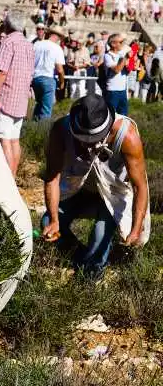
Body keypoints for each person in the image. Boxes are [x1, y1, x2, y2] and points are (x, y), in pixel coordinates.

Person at [42, 94, 149, 280]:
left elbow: (140, 186)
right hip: (78, 189)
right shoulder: (61, 130)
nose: (86, 142)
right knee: (46, 223)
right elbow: (52, 177)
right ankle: (81, 260)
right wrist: (53, 219)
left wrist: (136, 228)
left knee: (100, 234)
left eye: (92, 138)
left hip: (112, 195)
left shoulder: (127, 136)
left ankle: (91, 277)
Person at [0, 10, 35, 176]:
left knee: (4, 140)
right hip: (21, 98)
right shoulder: (29, 44)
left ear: (7, 24)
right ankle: (12, 179)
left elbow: (2, 72)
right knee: (14, 141)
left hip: (6, 96)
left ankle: (7, 180)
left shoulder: (8, 42)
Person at [32, 25, 66, 121]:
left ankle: (33, 128)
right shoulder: (57, 48)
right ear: (58, 37)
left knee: (38, 105)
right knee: (46, 110)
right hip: (48, 78)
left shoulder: (37, 44)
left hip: (36, 77)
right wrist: (62, 82)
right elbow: (60, 69)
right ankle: (42, 132)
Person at [104, 33, 130, 115]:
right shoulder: (108, 56)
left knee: (123, 115)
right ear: (113, 44)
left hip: (122, 89)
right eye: (121, 42)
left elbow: (128, 71)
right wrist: (125, 57)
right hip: (112, 90)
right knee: (110, 115)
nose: (123, 44)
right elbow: (117, 70)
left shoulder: (121, 54)